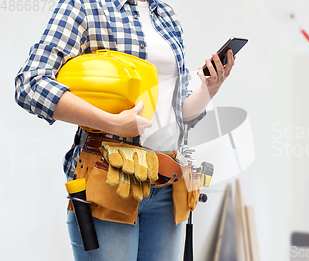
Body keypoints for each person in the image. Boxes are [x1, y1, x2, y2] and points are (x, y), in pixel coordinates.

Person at [14, 0, 236, 259]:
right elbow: (30, 83)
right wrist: (111, 123)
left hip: (166, 183)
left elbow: (178, 115)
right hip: (110, 181)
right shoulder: (84, 6)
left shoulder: (165, 14)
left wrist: (210, 88)